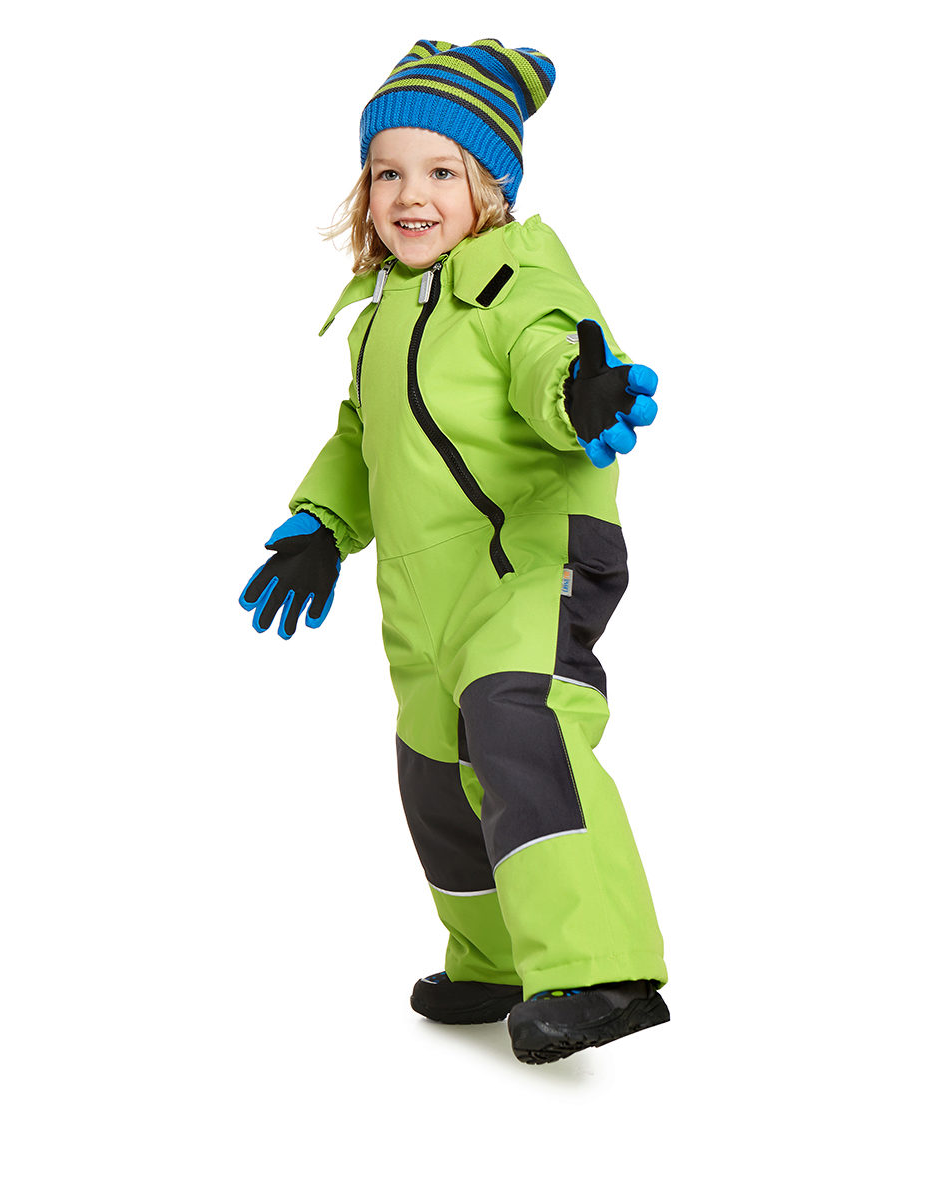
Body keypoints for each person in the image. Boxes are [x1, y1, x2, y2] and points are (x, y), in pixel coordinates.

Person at [240, 38, 669, 1064]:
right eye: (388, 172)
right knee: (436, 770)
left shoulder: (516, 280)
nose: (411, 196)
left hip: (531, 556)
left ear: (492, 188)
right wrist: (320, 526)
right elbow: (361, 436)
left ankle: (599, 965)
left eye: (441, 171)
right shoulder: (381, 313)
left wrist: (580, 395)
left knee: (519, 722)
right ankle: (494, 957)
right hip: (425, 590)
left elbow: (547, 354)